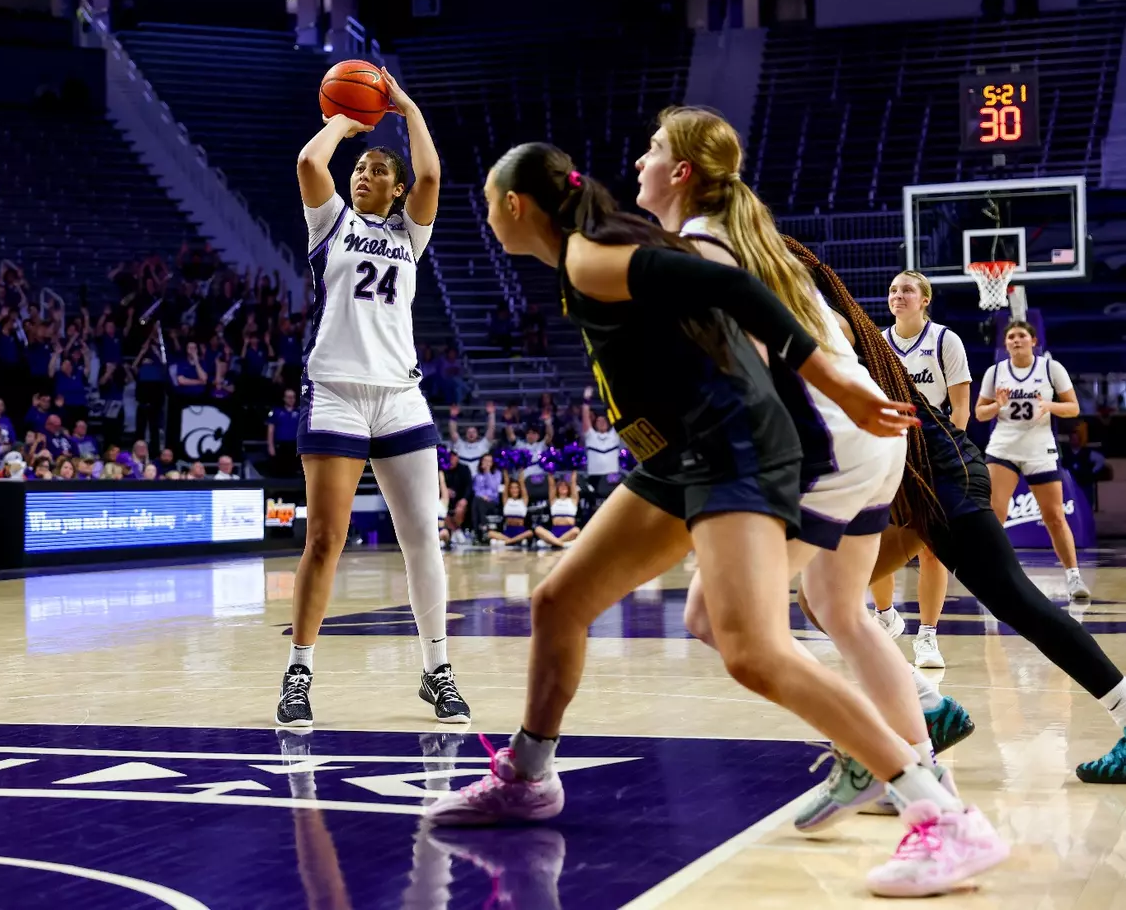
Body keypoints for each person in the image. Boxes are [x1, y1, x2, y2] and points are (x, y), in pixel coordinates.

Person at [426, 142, 1005, 899]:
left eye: (487, 204)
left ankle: (941, 812)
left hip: (730, 446)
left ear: (513, 206)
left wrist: (834, 377)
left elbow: (725, 286)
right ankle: (529, 777)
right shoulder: (599, 248)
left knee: (752, 650)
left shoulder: (588, 259)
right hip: (675, 452)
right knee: (559, 602)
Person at [637, 106, 948, 832]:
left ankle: (877, 763)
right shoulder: (753, 236)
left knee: (715, 618)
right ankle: (923, 765)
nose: (639, 162)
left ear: (682, 172)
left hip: (832, 442)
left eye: (652, 150)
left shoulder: (695, 250)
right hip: (874, 438)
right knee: (842, 609)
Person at [787, 240, 1126, 786]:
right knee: (824, 598)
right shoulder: (819, 329)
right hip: (909, 484)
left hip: (942, 475)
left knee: (1018, 601)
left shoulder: (829, 329)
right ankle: (927, 705)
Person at [278, 69, 469, 729]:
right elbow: (309, 159)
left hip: (400, 397)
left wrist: (407, 106)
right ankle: (298, 673)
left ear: (395, 188)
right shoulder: (328, 222)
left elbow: (435, 178)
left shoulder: (410, 236)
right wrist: (348, 121)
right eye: (359, 168)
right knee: (325, 538)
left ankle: (437, 671)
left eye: (377, 170)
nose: (363, 174)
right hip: (334, 392)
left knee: (423, 538)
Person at [877, 270, 971, 667]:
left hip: (933, 453)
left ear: (925, 299)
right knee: (872, 543)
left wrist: (950, 453)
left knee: (932, 550)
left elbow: (961, 407)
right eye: (894, 290)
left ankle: (928, 637)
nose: (899, 296)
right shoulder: (877, 343)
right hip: (886, 453)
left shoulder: (945, 340)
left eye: (908, 290)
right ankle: (885, 618)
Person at [976, 320, 1083, 597]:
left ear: (1033, 341)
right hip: (1003, 449)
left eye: (1022, 335)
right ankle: (993, 575)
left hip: (1039, 449)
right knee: (994, 515)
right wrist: (997, 405)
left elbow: (1073, 408)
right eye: (1011, 336)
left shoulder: (1050, 368)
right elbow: (979, 413)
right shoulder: (995, 371)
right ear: (1006, 343)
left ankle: (1073, 577)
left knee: (1054, 517)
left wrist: (1048, 405)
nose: (1016, 340)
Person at [533, 476, 581, 549]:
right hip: (554, 531)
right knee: (538, 529)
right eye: (560, 485)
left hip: (569, 532)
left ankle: (553, 543)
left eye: (565, 485)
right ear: (557, 488)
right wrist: (550, 470)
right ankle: (561, 544)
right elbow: (551, 485)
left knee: (576, 530)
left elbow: (573, 483)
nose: (563, 487)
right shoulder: (553, 500)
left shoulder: (573, 500)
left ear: (569, 488)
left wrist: (574, 468)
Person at [487, 477, 533, 547]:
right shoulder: (506, 500)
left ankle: (507, 542)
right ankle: (513, 541)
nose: (514, 490)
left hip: (520, 531)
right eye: (512, 488)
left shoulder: (523, 501)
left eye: (516, 488)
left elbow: (522, 483)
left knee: (530, 533)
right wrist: (505, 469)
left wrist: (521, 471)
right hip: (508, 531)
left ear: (519, 489)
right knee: (490, 533)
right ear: (509, 490)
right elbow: (506, 481)